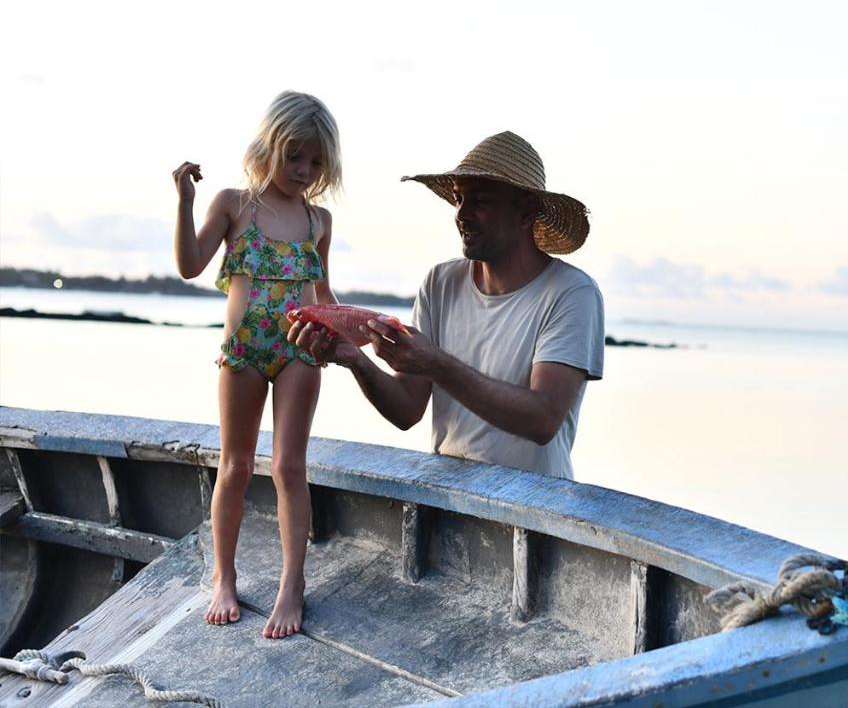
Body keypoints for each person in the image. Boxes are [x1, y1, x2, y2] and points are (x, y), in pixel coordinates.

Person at [289, 131, 603, 480]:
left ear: (527, 210)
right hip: (452, 501)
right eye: (457, 199)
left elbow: (543, 419)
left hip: (537, 510)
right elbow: (407, 409)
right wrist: (354, 359)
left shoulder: (572, 293)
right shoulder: (440, 283)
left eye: (480, 201)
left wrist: (437, 365)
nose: (461, 214)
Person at [172, 91, 342, 639]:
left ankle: (293, 584)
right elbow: (189, 266)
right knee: (237, 466)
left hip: (298, 350)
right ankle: (225, 576)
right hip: (244, 350)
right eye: (295, 155)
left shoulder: (318, 220)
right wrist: (183, 201)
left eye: (316, 162)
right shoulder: (233, 204)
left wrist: (354, 333)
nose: (304, 170)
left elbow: (324, 293)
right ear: (270, 144)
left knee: (291, 467)